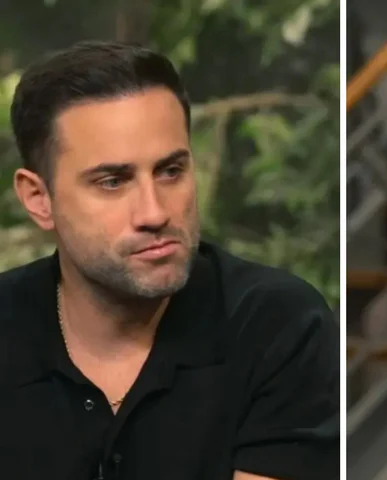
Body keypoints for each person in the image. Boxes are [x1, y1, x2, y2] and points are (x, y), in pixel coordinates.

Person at [0, 40, 339, 480]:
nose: (154, 212)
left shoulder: (276, 324)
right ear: (38, 199)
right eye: (112, 181)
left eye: (171, 171)